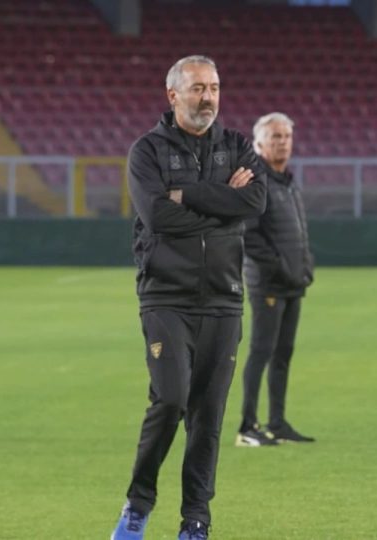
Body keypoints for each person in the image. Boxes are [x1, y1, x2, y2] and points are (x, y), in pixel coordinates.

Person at [111, 55, 267, 540]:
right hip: (166, 296)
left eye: (215, 88)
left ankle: (196, 522)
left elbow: (254, 204)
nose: (209, 98)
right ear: (173, 95)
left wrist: (189, 194)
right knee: (171, 399)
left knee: (209, 416)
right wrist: (222, 201)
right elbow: (158, 218)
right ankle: (138, 504)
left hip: (223, 298)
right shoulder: (147, 152)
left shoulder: (238, 145)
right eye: (198, 89)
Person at [235, 112, 316, 447]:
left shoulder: (288, 181)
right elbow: (248, 236)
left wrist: (305, 264)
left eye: (286, 136)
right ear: (258, 144)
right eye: (275, 137)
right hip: (267, 283)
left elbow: (298, 232)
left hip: (292, 281)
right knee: (261, 351)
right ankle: (247, 426)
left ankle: (277, 422)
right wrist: (280, 267)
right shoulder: (257, 182)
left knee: (283, 353)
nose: (283, 142)